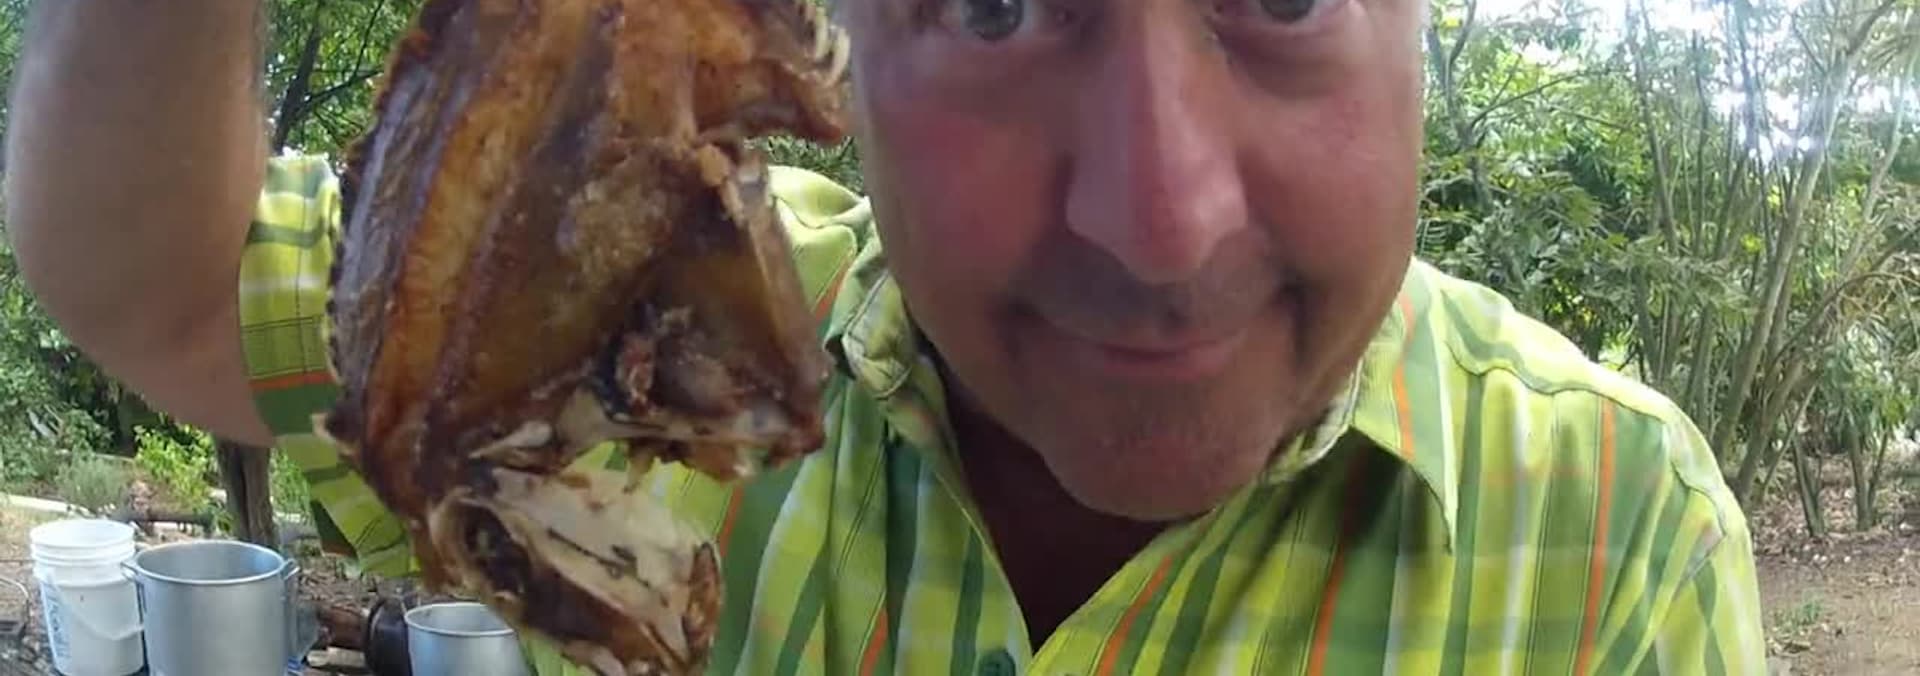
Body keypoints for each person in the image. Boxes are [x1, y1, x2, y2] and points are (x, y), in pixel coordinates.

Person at [6, 0, 1767, 674]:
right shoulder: (636, 336)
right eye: (999, 9)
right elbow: (164, 283)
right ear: (833, 58)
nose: (1161, 220)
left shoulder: (1607, 529)